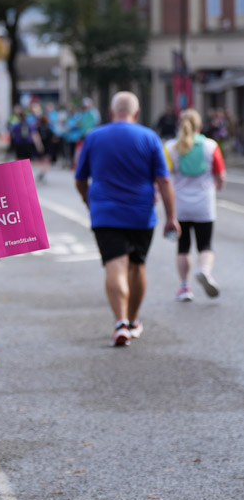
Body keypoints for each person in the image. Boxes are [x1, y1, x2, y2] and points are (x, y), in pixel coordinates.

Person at [75, 91, 179, 347]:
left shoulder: (94, 136)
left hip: (105, 213)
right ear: (137, 113)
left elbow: (80, 178)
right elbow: (164, 180)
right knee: (137, 265)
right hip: (140, 213)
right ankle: (132, 322)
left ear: (111, 112)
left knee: (115, 265)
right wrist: (172, 217)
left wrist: (89, 201)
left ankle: (120, 322)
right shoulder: (150, 137)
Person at [164, 108, 226, 302]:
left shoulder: (171, 147)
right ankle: (205, 271)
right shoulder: (211, 146)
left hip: (180, 205)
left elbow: (164, 176)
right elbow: (220, 176)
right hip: (204, 204)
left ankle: (185, 287)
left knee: (183, 246)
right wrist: (217, 185)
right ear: (200, 125)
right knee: (205, 245)